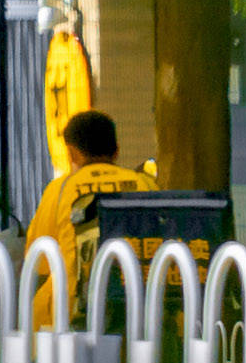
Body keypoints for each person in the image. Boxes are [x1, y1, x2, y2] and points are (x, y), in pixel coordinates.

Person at [27, 108, 152, 285]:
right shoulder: (145, 185)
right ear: (116, 151)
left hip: (73, 305)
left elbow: (38, 261)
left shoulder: (60, 190)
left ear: (71, 153)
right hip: (136, 299)